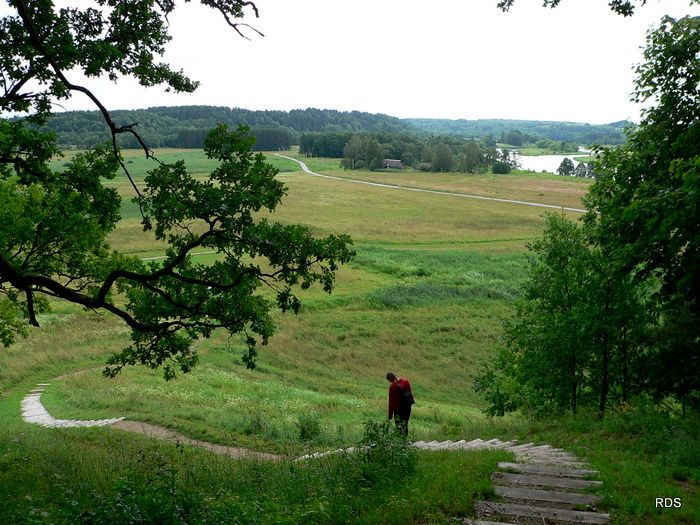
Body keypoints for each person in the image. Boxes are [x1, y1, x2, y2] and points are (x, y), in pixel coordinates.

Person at [386, 371, 414, 436]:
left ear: (390, 380)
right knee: (405, 424)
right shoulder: (406, 382)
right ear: (395, 376)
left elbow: (391, 402)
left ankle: (401, 442)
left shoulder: (392, 387)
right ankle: (405, 440)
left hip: (398, 410)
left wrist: (390, 416)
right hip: (407, 408)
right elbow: (409, 394)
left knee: (399, 427)